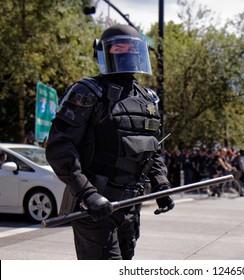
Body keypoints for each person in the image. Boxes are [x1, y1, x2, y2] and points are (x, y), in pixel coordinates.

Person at [45, 24, 174, 260]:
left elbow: (152, 150)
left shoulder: (147, 98)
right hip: (93, 207)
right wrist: (87, 194)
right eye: (118, 47)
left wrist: (161, 185)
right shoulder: (87, 92)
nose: (125, 52)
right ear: (105, 52)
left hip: (130, 206)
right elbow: (59, 147)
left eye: (130, 47)